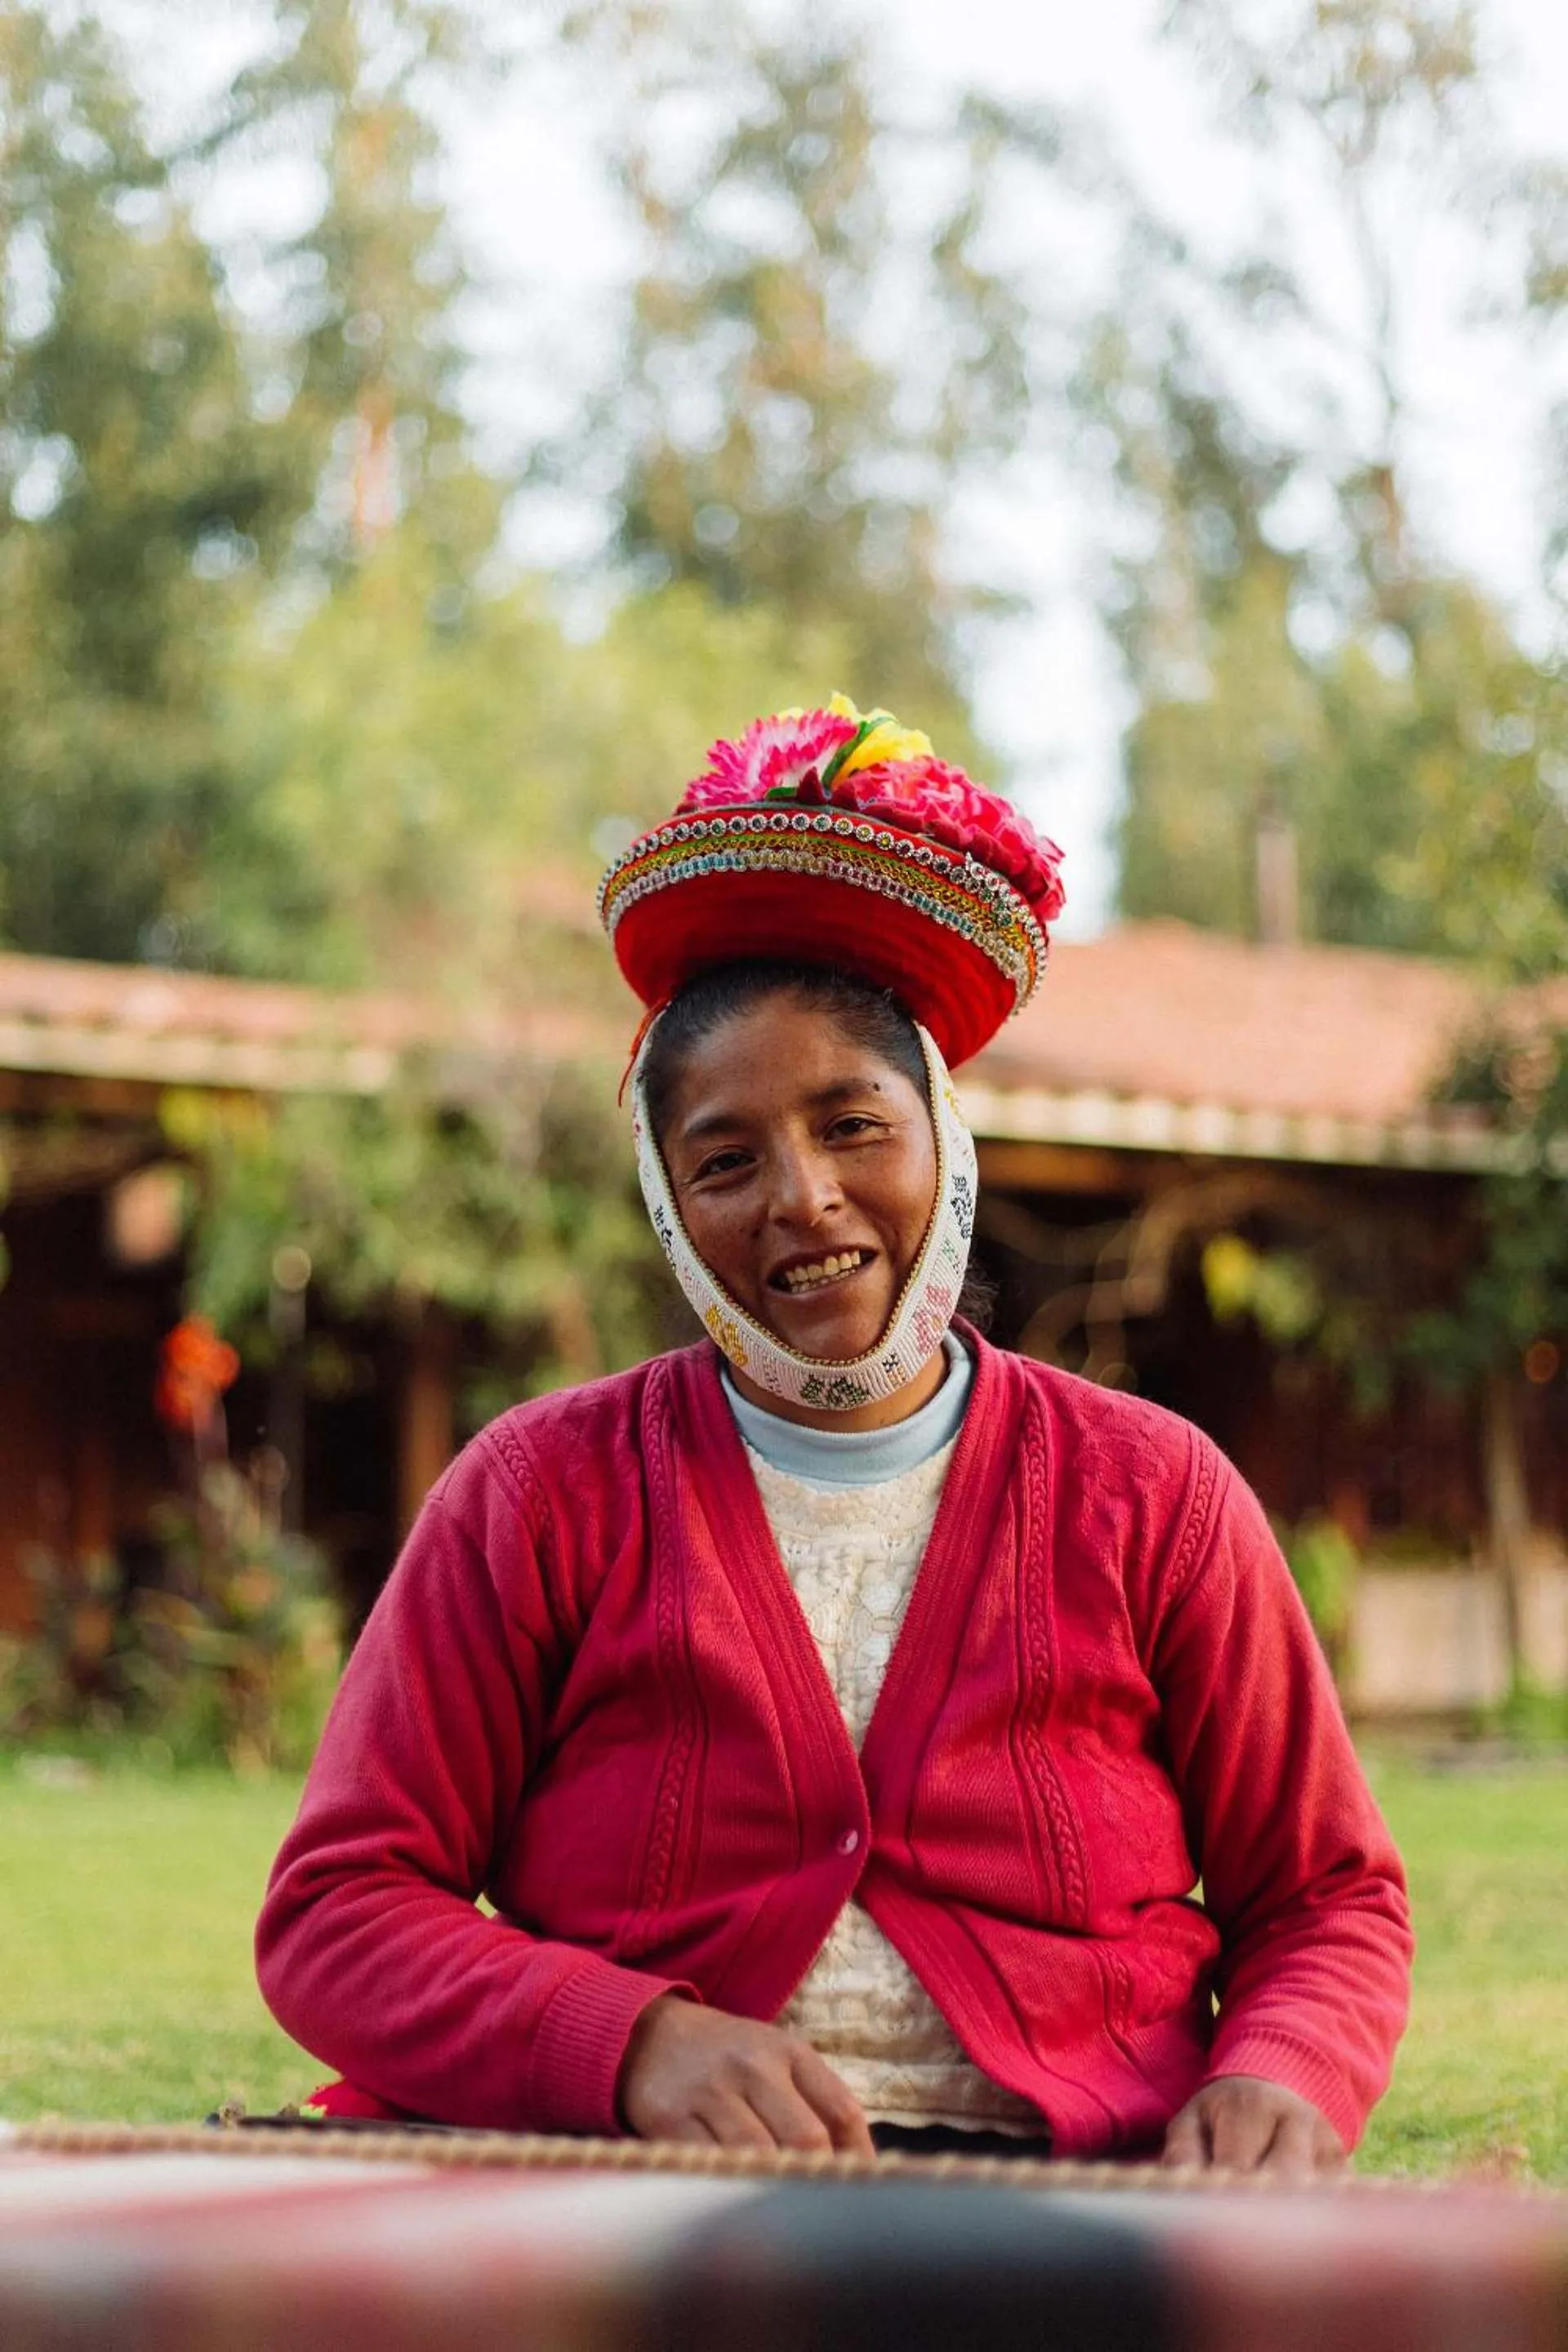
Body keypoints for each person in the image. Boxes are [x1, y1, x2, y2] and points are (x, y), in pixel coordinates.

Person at [256, 695, 1412, 2174]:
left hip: (1078, 2197)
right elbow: (340, 1913)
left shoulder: (1157, 1493)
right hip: (633, 2192)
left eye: (855, 1123)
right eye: (724, 1159)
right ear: (669, 1203)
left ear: (945, 1130)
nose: (799, 1197)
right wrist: (630, 2043)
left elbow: (1328, 1898)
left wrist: (1286, 2074)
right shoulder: (536, 1494)